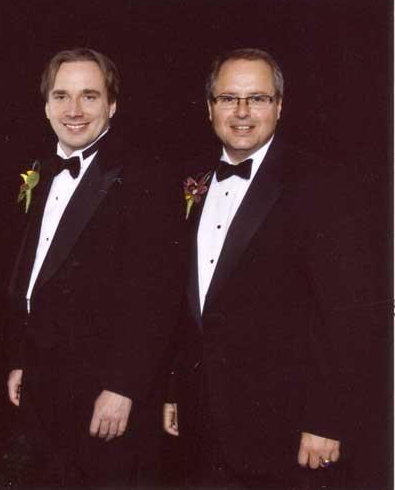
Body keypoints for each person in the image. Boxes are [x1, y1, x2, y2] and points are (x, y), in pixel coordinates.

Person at [163, 48, 381, 489]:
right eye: (228, 99)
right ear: (210, 109)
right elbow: (188, 304)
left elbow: (352, 316)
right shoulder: (191, 182)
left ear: (279, 107)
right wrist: (174, 390)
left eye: (257, 99)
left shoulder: (323, 185)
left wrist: (327, 420)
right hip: (202, 427)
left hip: (292, 435)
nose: (242, 112)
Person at [4, 48, 184, 488]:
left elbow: (156, 295)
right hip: (43, 386)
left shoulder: (145, 175)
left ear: (112, 104)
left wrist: (123, 388)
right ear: (46, 106)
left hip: (104, 395)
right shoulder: (43, 172)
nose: (74, 110)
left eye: (89, 96)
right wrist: (21, 360)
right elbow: (37, 278)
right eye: (61, 96)